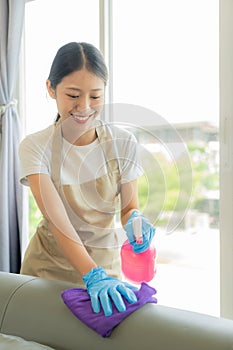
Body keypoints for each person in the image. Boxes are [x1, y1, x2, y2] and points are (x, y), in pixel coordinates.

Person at [19, 42, 155, 316]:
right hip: (48, 273)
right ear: (50, 89)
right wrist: (92, 274)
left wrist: (136, 222)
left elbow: (128, 209)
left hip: (107, 273)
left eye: (95, 96)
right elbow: (58, 220)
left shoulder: (122, 143)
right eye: (72, 95)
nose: (84, 107)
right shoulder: (35, 146)